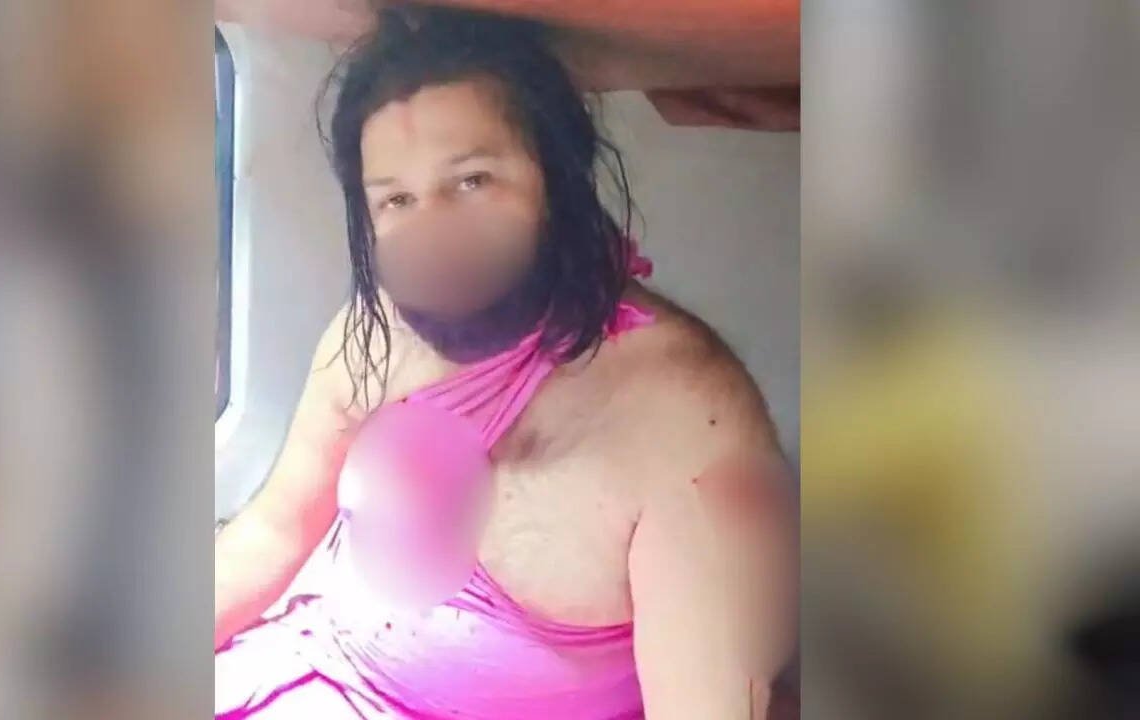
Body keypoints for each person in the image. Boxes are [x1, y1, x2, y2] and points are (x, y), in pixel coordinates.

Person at [215, 8, 796, 718]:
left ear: (560, 174)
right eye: (396, 199)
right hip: (298, 669)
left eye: (472, 181)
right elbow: (272, 533)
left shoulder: (687, 417)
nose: (433, 231)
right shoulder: (373, 334)